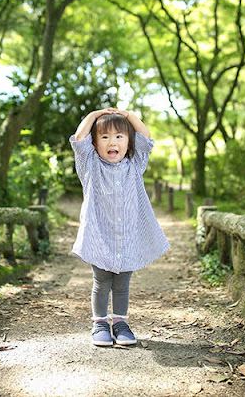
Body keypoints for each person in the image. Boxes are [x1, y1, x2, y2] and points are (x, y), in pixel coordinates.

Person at [69, 107, 170, 346]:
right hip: (100, 236)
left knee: (123, 283)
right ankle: (100, 324)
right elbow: (79, 139)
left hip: (127, 237)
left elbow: (146, 138)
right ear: (95, 143)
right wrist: (94, 115)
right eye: (104, 137)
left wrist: (128, 116)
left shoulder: (135, 165)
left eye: (119, 136)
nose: (112, 142)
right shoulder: (90, 166)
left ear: (128, 142)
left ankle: (121, 323)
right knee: (102, 282)